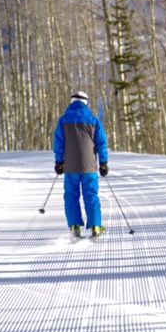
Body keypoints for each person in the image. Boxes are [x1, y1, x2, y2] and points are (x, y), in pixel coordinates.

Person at [53, 91, 109, 238]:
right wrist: (103, 162)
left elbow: (59, 143)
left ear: (72, 102)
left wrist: (59, 162)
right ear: (86, 102)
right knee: (91, 194)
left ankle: (75, 226)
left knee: (71, 195)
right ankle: (96, 226)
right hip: (89, 166)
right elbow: (101, 142)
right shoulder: (93, 119)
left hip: (70, 166)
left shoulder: (63, 120)